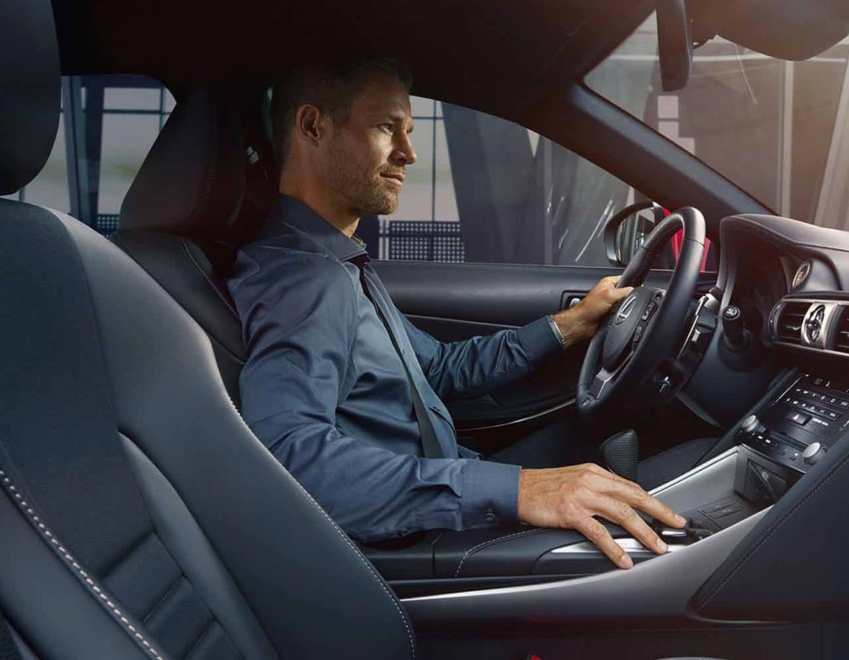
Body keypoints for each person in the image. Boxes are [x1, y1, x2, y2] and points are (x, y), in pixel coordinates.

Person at [227, 59, 686, 569]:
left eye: (408, 131)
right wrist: (516, 490)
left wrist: (572, 323)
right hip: (413, 542)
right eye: (386, 127)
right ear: (313, 126)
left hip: (440, 493)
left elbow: (439, 369)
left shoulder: (339, 263)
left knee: (642, 459)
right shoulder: (303, 280)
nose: (409, 152)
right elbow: (288, 460)